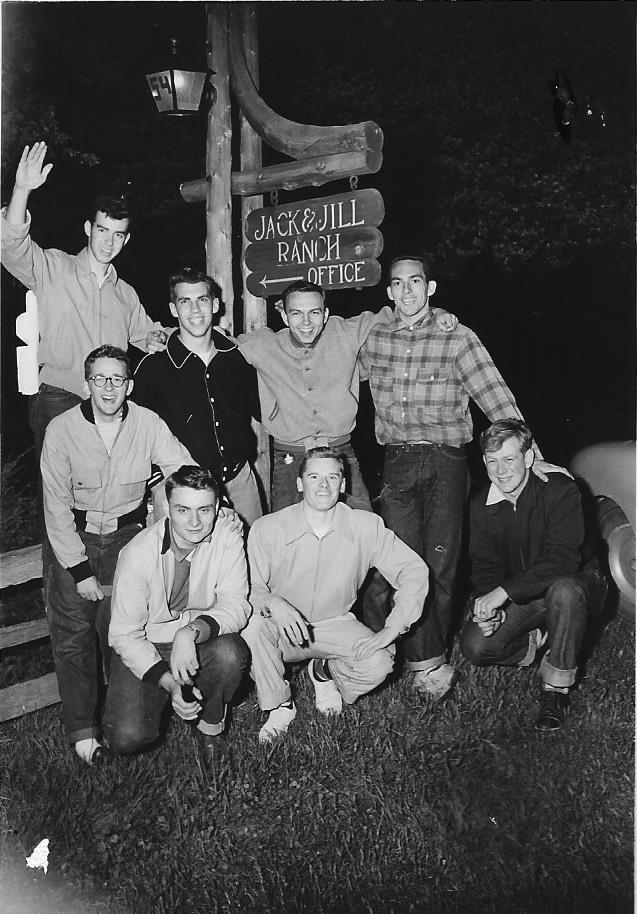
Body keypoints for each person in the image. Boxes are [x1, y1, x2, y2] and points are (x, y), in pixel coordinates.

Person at [360, 254, 567, 700]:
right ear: (388, 292)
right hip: (396, 460)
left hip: (446, 462)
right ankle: (414, 658)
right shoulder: (373, 338)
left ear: (430, 287)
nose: (408, 291)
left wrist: (534, 455)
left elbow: (495, 396)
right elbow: (326, 358)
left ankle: (426, 665)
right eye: (398, 284)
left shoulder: (458, 337)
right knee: (401, 564)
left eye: (416, 282)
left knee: (442, 565)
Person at [40, 345, 195, 766]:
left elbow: (182, 469)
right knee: (74, 638)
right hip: (76, 535)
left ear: (129, 385)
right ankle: (84, 734)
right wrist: (78, 569)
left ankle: (120, 718)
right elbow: (54, 506)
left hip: (128, 535)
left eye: (117, 380)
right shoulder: (61, 429)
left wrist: (198, 507)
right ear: (86, 383)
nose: (108, 388)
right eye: (99, 379)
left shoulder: (147, 423)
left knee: (122, 629)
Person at [242, 447, 429, 742]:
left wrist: (392, 628)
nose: (324, 485)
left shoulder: (365, 526)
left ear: (343, 485)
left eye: (332, 477)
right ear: (300, 483)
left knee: (380, 662)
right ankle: (280, 704)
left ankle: (325, 671)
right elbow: (249, 588)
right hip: (282, 628)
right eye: (314, 476)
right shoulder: (268, 528)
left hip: (335, 624)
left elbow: (413, 571)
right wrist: (273, 603)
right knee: (252, 628)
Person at [1, 141, 167, 466]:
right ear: (88, 229)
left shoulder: (125, 294)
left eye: (118, 234)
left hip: (108, 400)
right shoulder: (55, 269)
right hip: (58, 397)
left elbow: (149, 337)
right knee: (59, 499)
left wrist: (156, 339)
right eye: (103, 230)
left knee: (102, 500)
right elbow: (10, 246)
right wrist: (21, 189)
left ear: (126, 239)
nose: (108, 241)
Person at [234, 279, 456, 511]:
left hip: (340, 453)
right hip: (290, 458)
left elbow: (397, 314)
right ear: (285, 317)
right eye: (297, 313)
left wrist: (438, 313)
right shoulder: (263, 343)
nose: (307, 322)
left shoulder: (345, 331)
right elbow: (218, 347)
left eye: (315, 312)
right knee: (288, 538)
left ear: (326, 314)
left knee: (364, 530)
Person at [459, 420, 607, 732]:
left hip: (579, 582)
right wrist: (492, 606)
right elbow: (485, 566)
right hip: (526, 590)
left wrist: (503, 593)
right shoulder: (480, 505)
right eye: (492, 461)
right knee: (475, 646)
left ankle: (556, 688)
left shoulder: (559, 489)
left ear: (528, 459)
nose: (501, 471)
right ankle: (535, 639)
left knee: (565, 590)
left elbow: (564, 559)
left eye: (509, 459)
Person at [105, 466, 251, 768]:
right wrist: (170, 683)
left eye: (205, 510)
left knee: (230, 653)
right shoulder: (137, 554)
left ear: (218, 508)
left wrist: (191, 632)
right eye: (183, 510)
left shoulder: (228, 538)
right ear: (166, 508)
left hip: (196, 640)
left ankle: (210, 725)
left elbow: (236, 603)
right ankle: (171, 695)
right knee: (128, 738)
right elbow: (124, 634)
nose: (195, 522)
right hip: (149, 642)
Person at [132, 268, 263, 527]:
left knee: (251, 558)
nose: (195, 310)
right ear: (173, 309)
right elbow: (134, 433)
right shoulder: (153, 367)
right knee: (185, 565)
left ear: (214, 305)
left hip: (239, 482)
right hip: (183, 490)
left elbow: (258, 407)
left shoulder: (236, 357)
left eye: (202, 300)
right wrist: (158, 484)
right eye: (185, 302)